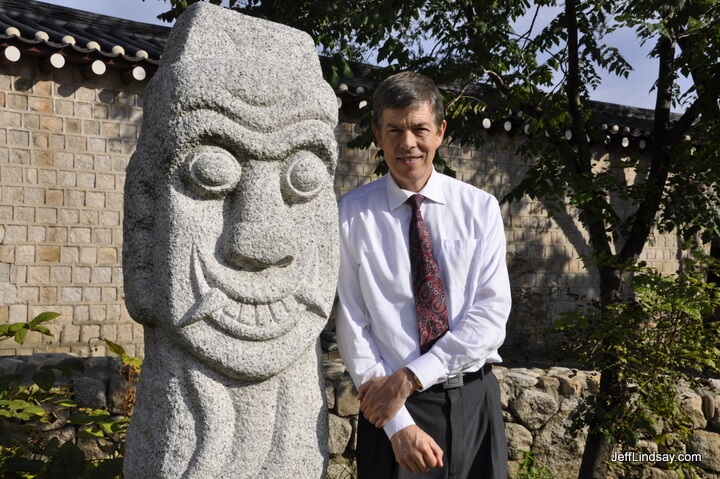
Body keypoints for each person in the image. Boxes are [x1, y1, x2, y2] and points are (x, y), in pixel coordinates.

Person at [335, 71, 511, 479]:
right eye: (394, 129)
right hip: (393, 413)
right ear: (378, 135)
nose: (407, 143)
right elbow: (352, 324)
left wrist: (413, 376)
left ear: (440, 132)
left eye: (419, 128)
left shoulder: (479, 209)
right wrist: (397, 423)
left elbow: (490, 314)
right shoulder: (351, 214)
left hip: (475, 399)